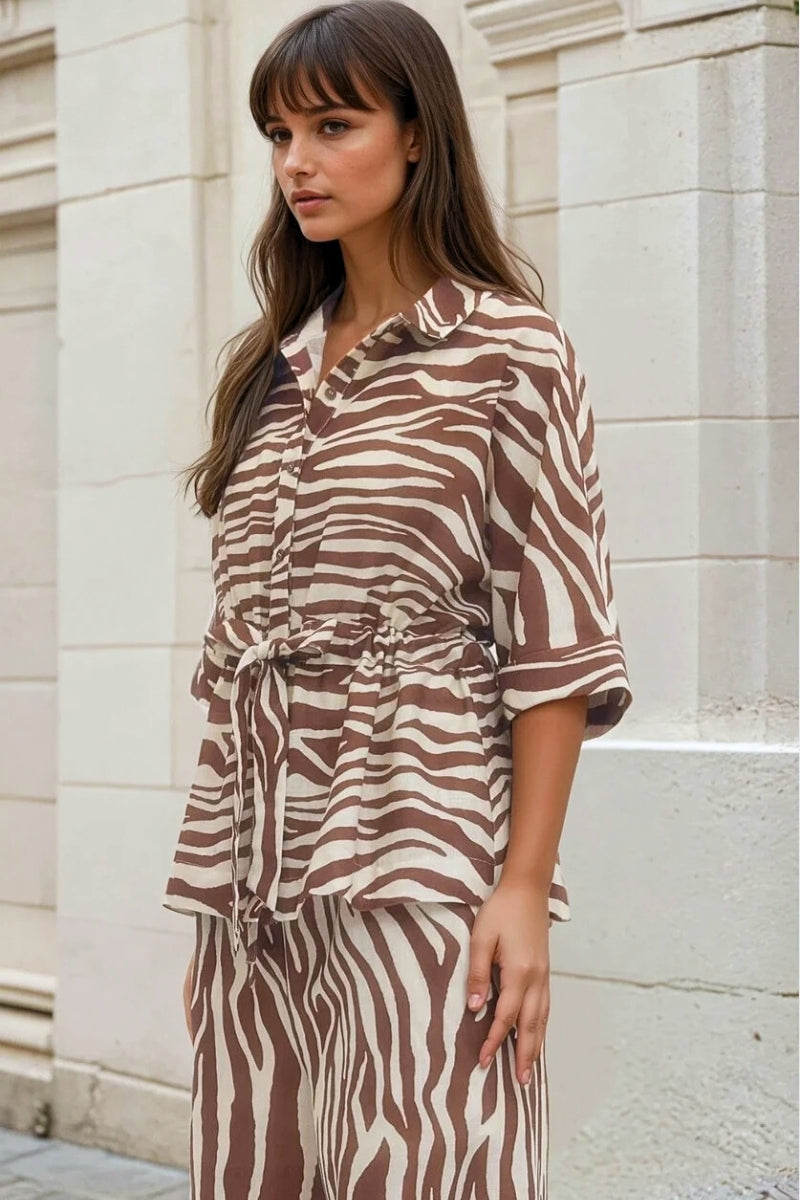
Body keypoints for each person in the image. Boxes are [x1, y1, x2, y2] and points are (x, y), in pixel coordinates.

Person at [162, 2, 633, 1197]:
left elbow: (555, 644)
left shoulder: (511, 352)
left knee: (430, 1170)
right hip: (251, 874)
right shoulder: (270, 370)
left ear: (417, 135)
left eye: (333, 124)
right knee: (255, 1174)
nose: (297, 164)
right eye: (277, 133)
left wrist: (521, 888)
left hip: (421, 854)